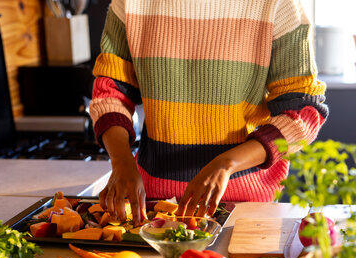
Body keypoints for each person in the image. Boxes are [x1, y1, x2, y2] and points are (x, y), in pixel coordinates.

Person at [89, 0, 328, 226]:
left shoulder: (279, 5)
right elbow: (110, 94)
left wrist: (227, 163)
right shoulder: (130, 4)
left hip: (244, 209)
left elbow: (302, 113)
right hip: (151, 208)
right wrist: (121, 162)